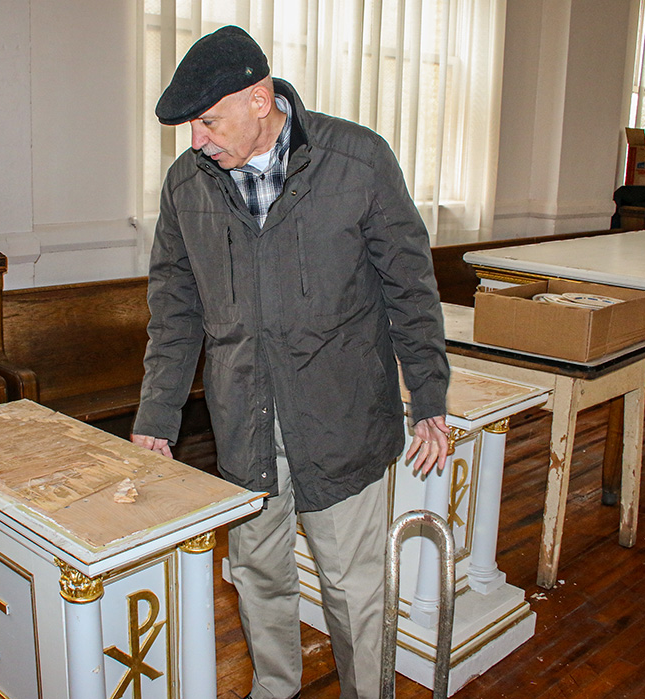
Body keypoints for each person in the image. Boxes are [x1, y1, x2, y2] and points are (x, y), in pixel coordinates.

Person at [132, 25, 450, 699]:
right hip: (244, 422)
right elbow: (175, 306)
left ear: (258, 98)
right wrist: (157, 412)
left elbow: (411, 287)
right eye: (190, 125)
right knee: (257, 573)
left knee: (352, 586)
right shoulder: (187, 184)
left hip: (342, 420)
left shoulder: (357, 160)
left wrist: (429, 396)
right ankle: (275, 688)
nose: (196, 140)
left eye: (206, 121)